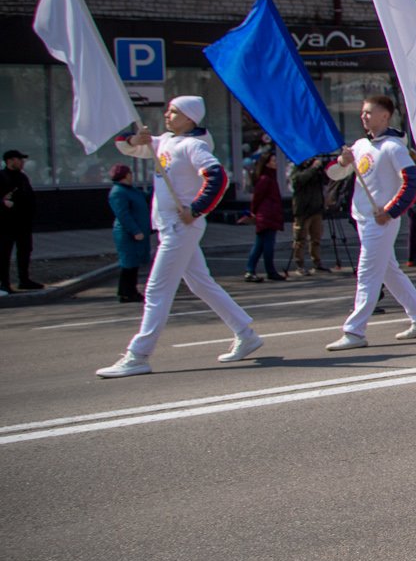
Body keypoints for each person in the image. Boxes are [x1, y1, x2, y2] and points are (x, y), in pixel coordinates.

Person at [97, 96, 262, 377]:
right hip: (170, 227)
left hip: (181, 227)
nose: (167, 114)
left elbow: (218, 177)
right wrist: (135, 139)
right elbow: (125, 144)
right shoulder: (164, 141)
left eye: (173, 111)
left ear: (189, 117)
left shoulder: (193, 146)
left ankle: (139, 355)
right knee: (201, 284)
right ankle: (246, 334)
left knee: (156, 290)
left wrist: (196, 209)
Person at [323, 93, 416, 351]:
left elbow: (412, 182)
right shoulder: (360, 145)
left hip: (380, 221)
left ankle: (354, 331)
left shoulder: (394, 147)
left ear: (385, 116)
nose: (363, 116)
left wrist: (391, 211)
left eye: (368, 112)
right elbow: (335, 174)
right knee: (388, 271)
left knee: (367, 272)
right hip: (363, 218)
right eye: (363, 112)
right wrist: (342, 161)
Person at [242, 152, 288, 282]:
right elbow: (257, 198)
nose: (276, 163)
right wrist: (253, 212)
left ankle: (251, 270)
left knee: (260, 244)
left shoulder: (270, 177)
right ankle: (268, 271)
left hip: (269, 215)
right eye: (273, 161)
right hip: (266, 216)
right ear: (267, 163)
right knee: (266, 245)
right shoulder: (265, 179)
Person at [0, 148, 41, 292]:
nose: (22, 162)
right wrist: (3, 202)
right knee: (4, 253)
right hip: (6, 223)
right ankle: (4, 283)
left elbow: (29, 195)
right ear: (10, 161)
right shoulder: (2, 176)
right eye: (19, 159)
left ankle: (24, 280)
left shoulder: (22, 177)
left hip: (23, 222)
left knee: (25, 250)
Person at [107, 163, 150, 302]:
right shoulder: (118, 192)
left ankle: (130, 291)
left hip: (137, 232)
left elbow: (147, 197)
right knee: (128, 263)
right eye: (130, 173)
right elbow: (123, 215)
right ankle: (126, 293)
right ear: (126, 175)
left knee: (134, 263)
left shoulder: (131, 190)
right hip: (127, 234)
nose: (132, 176)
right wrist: (135, 230)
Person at [288, 153, 333, 273]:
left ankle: (317, 263)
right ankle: (300, 264)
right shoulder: (297, 168)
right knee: (300, 239)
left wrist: (321, 170)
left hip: (316, 209)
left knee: (316, 239)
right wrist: (313, 168)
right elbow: (298, 181)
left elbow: (326, 181)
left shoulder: (316, 170)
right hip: (303, 210)